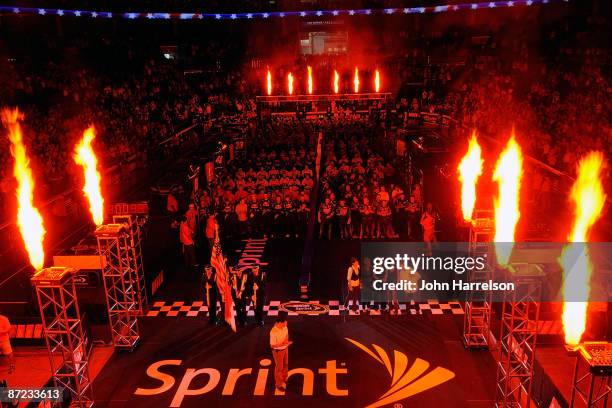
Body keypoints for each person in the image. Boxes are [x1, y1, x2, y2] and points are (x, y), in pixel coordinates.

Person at [270, 312, 291, 392]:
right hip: (278, 351)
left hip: (285, 348)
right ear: (280, 322)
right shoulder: (273, 332)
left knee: (286, 364)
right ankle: (279, 384)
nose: (287, 323)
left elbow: (287, 335)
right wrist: (282, 344)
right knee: (279, 368)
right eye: (286, 321)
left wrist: (286, 342)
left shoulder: (285, 327)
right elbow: (272, 345)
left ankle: (284, 378)